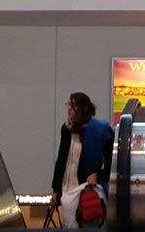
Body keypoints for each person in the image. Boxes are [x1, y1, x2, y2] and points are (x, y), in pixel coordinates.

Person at [51, 92, 114, 226]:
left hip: (86, 188)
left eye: (73, 105)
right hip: (67, 189)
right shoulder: (66, 129)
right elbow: (61, 160)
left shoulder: (98, 130)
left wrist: (98, 174)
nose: (68, 108)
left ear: (83, 108)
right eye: (68, 104)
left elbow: (110, 161)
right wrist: (56, 189)